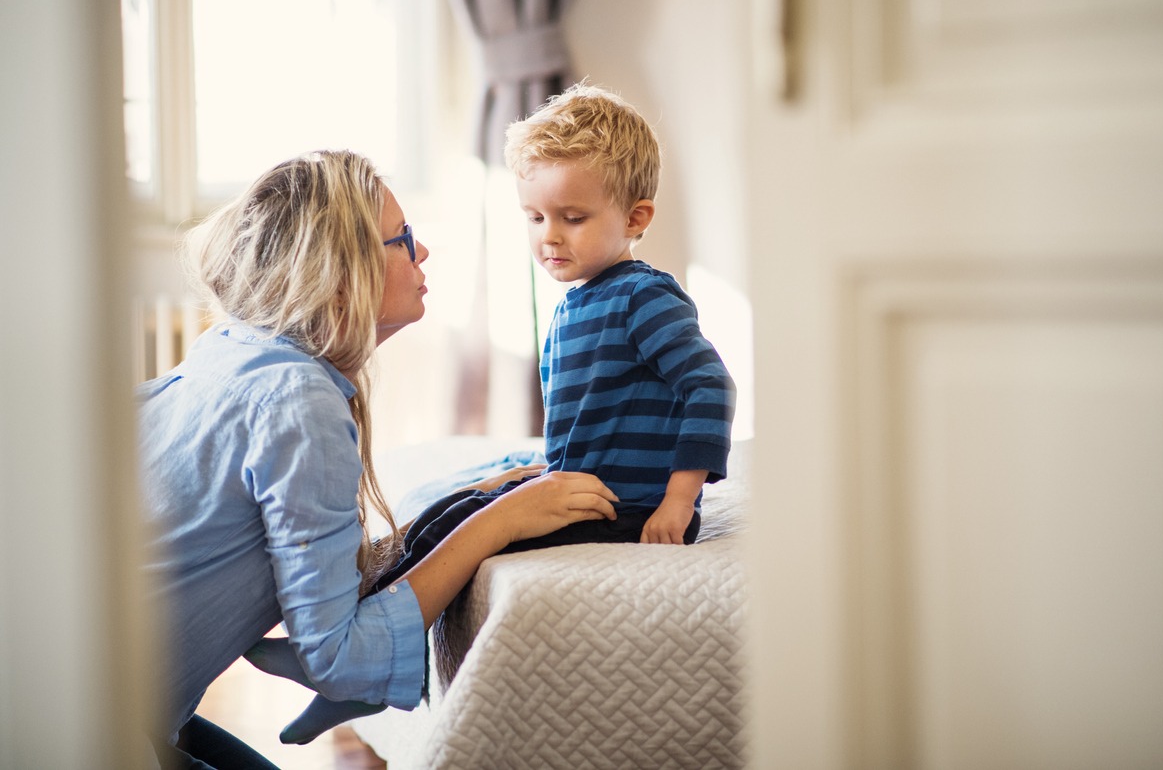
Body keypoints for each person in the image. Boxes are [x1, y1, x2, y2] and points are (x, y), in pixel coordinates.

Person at [252, 82, 737, 745]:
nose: (549, 238)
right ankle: (348, 651)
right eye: (535, 218)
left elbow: (708, 386)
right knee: (449, 510)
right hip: (590, 486)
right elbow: (603, 410)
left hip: (627, 507)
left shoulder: (643, 299)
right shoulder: (582, 301)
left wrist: (679, 500)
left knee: (466, 533)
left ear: (636, 217)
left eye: (572, 217)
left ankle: (354, 674)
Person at [137, 150, 619, 769]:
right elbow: (336, 654)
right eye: (404, 239)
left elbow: (316, 561)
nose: (423, 254)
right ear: (341, 274)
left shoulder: (232, 349)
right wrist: (504, 520)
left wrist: (473, 501)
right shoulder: (299, 400)